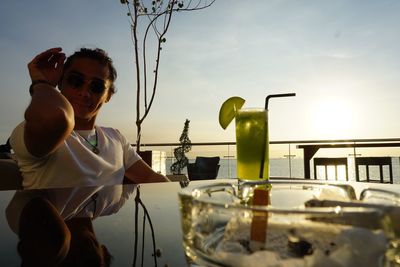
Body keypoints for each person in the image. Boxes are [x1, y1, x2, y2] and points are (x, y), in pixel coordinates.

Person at [9, 47, 169, 189]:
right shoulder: (32, 133)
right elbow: (54, 118)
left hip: (112, 223)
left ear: (108, 95)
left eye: (96, 86)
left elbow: (149, 177)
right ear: (60, 83)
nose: (84, 93)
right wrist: (42, 83)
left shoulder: (116, 138)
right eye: (75, 81)